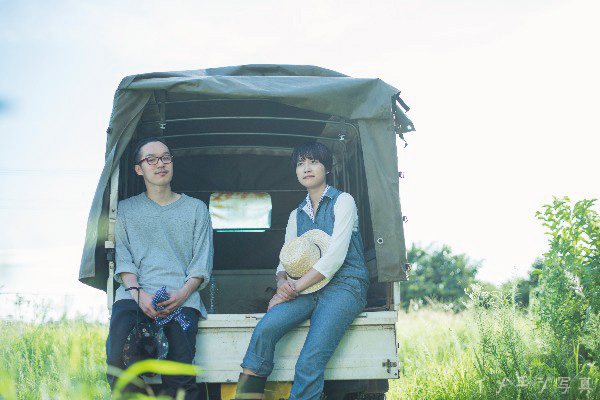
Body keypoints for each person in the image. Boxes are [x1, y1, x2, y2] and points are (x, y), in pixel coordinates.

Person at [235, 142, 370, 400]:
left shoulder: (343, 201)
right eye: (300, 163)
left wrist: (292, 289)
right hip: (306, 287)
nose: (306, 168)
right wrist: (282, 285)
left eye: (313, 162)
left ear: (326, 168)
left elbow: (334, 258)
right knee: (265, 329)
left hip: (345, 285)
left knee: (309, 361)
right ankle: (247, 397)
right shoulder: (296, 215)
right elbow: (284, 261)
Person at [105, 137, 213, 399]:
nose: (160, 164)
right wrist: (139, 295)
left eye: (165, 158)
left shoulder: (196, 209)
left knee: (180, 376)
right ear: (138, 169)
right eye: (151, 159)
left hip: (181, 298)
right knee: (118, 365)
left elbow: (201, 263)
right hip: (133, 296)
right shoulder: (125, 210)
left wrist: (182, 295)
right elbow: (124, 259)